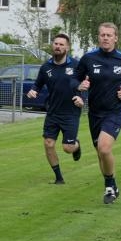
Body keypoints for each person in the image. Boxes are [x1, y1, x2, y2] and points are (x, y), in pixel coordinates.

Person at [74, 22, 121, 203]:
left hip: (116, 110)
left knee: (104, 147)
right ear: (98, 37)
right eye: (103, 35)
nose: (106, 38)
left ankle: (109, 187)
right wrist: (79, 86)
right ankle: (112, 185)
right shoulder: (88, 59)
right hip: (95, 111)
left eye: (109, 35)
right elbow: (75, 79)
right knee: (100, 153)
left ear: (116, 38)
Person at [27, 33, 84, 184]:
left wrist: (82, 98)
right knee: (48, 144)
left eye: (61, 44)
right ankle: (59, 178)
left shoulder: (76, 66)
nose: (58, 47)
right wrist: (33, 90)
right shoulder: (46, 67)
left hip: (71, 112)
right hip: (52, 112)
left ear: (67, 47)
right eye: (56, 44)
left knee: (67, 148)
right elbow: (37, 84)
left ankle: (76, 146)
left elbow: (88, 84)